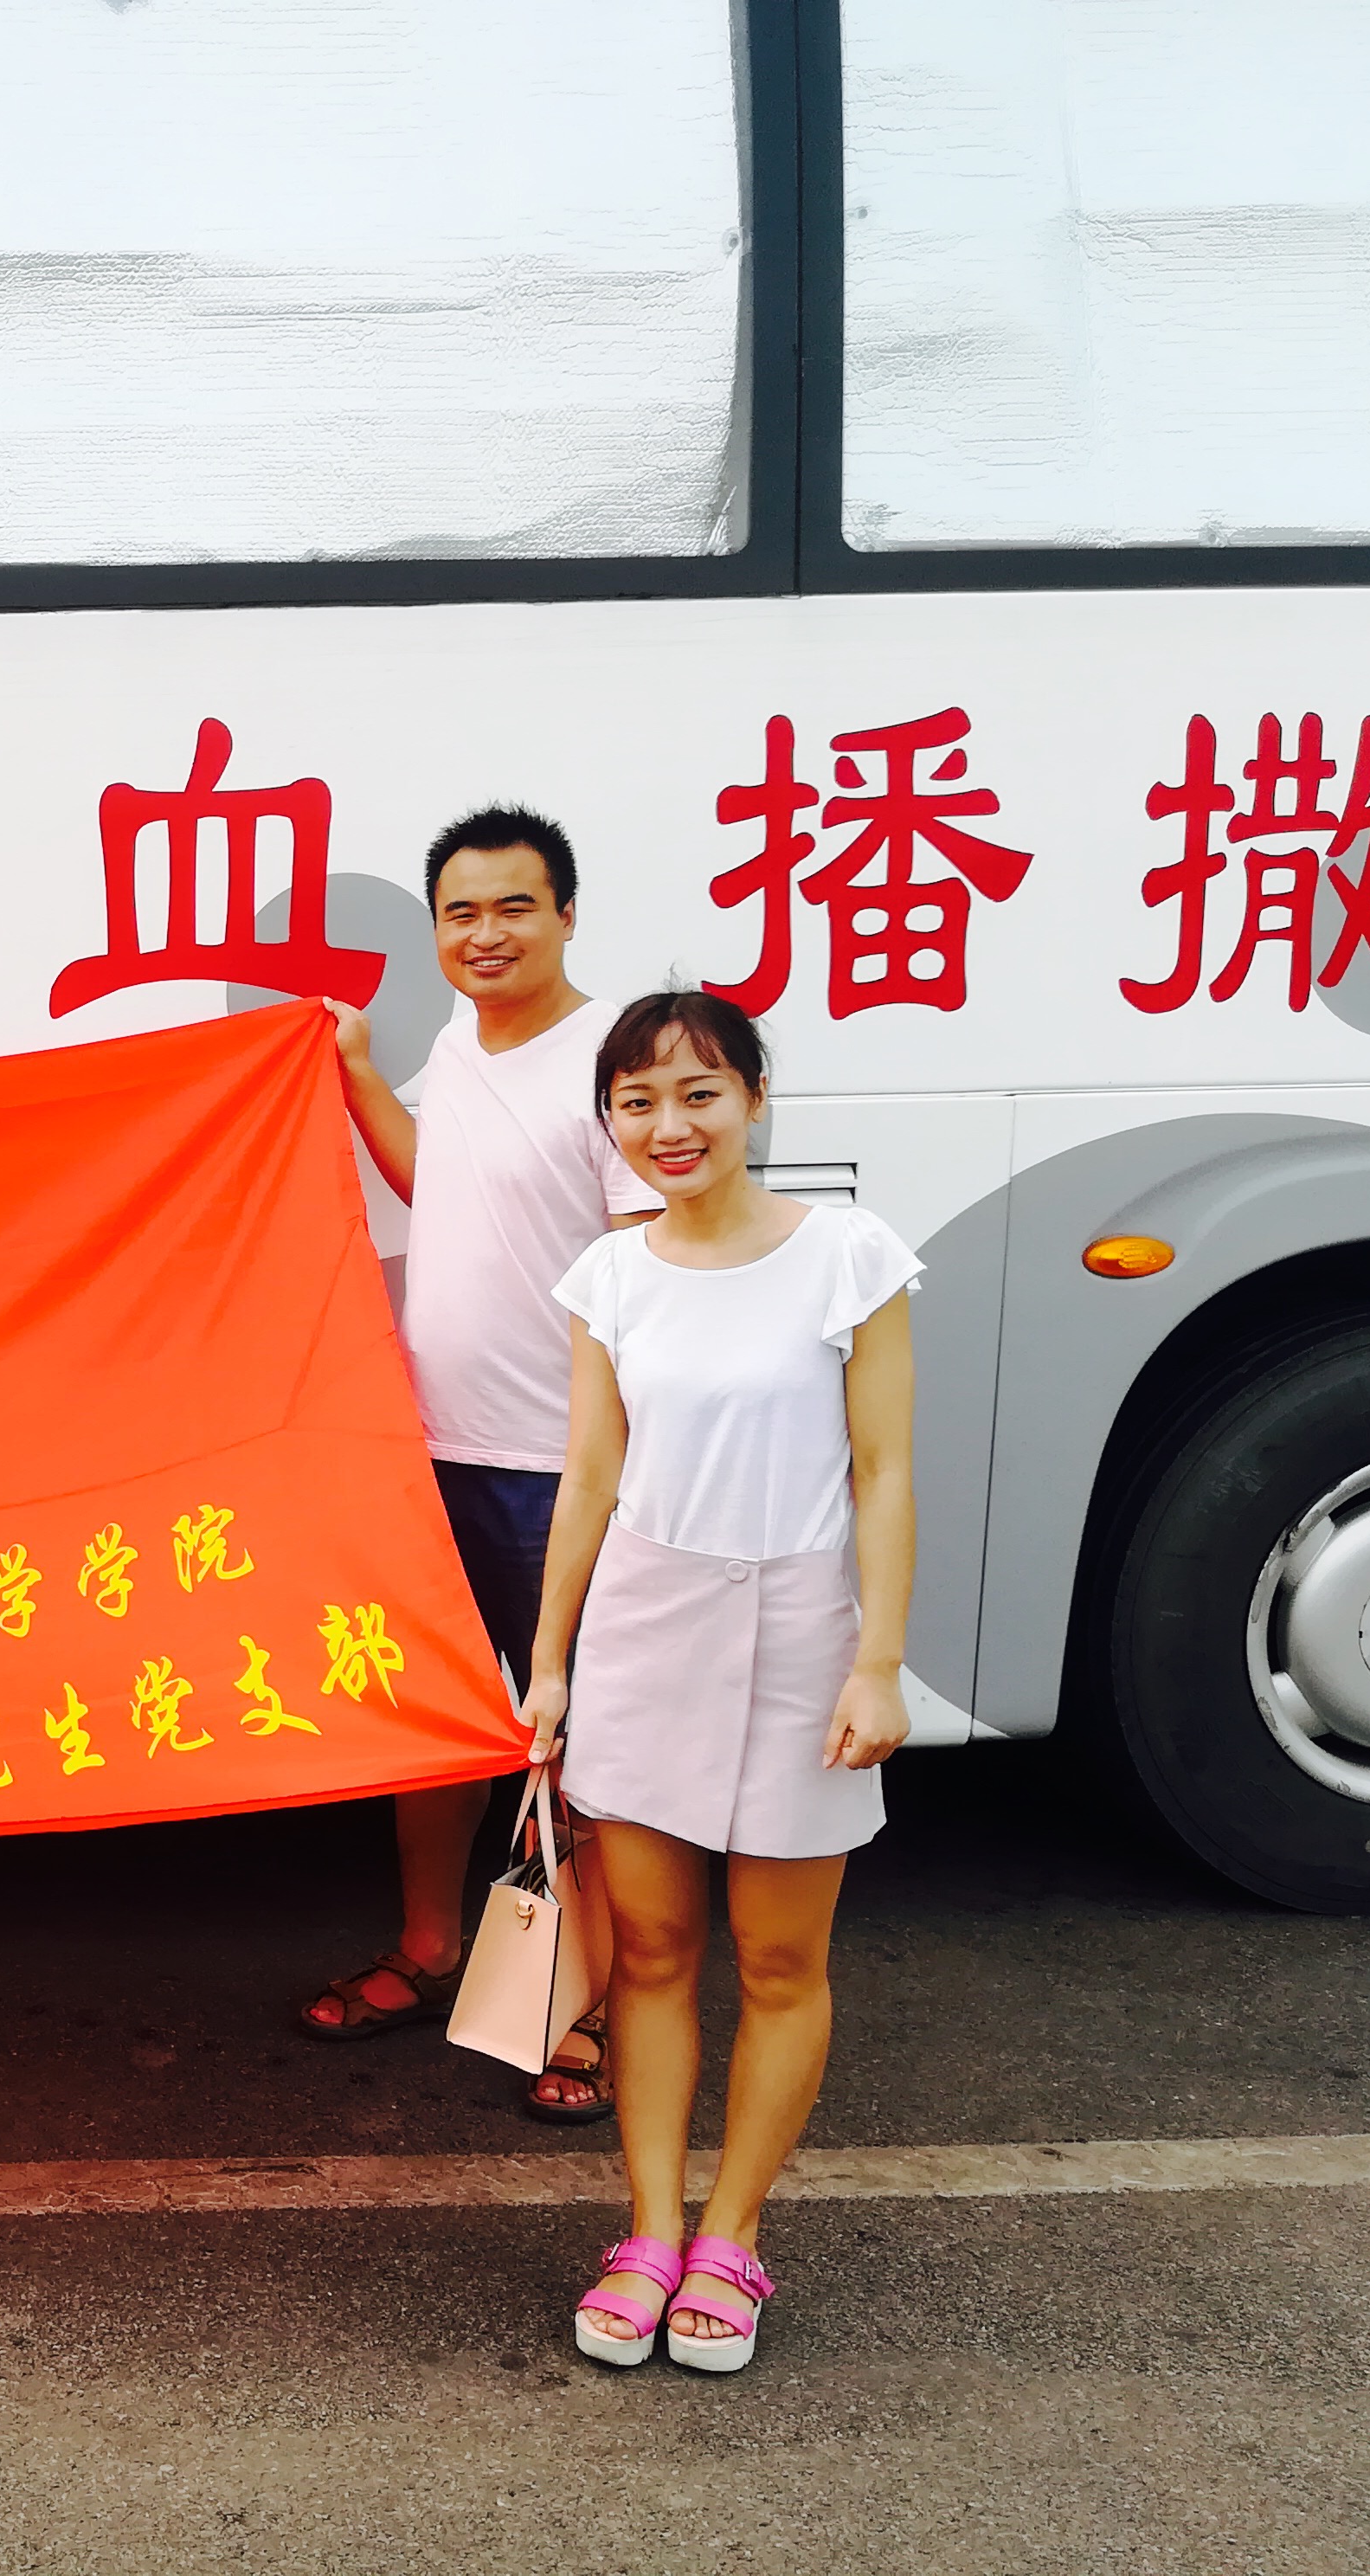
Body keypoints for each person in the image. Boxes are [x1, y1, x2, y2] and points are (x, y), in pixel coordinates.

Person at [531, 990, 917, 2373]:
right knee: (648, 1955)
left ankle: (733, 2238)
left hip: (804, 1631)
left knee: (780, 1960)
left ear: (754, 1097)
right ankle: (648, 2231)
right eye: (636, 1102)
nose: (669, 1126)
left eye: (698, 1093)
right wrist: (552, 1662)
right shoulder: (609, 1277)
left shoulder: (849, 1259)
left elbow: (884, 1472)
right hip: (650, 1628)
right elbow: (589, 1480)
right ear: (611, 1122)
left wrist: (879, 1663)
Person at [299, 808, 659, 2121]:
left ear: (566, 915)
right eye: (462, 913)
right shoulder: (459, 1043)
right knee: (437, 1724)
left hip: (558, 1470)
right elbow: (438, 1192)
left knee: (585, 1747)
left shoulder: (615, 1063)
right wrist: (356, 1077)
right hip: (433, 1451)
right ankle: (430, 1947)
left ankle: (596, 2003)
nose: (487, 934)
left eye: (515, 907)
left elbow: (651, 1273)